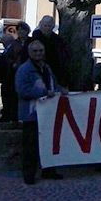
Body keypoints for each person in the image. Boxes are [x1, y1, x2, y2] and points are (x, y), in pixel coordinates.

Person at [15, 40, 67, 184]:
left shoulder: (46, 68)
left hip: (47, 114)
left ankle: (48, 170)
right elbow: (22, 90)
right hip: (31, 114)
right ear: (30, 52)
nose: (38, 53)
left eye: (41, 51)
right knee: (30, 146)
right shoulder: (24, 70)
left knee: (48, 144)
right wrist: (44, 92)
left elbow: (53, 85)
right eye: (35, 51)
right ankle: (29, 175)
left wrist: (60, 90)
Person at [0, 21, 32, 122]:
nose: (20, 32)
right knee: (7, 94)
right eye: (19, 30)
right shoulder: (14, 43)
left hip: (25, 73)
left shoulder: (31, 42)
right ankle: (6, 115)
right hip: (11, 74)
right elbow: (8, 57)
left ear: (27, 31)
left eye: (22, 30)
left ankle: (16, 116)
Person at [30, 16, 70, 87]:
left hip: (55, 71)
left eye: (49, 26)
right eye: (45, 26)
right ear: (40, 25)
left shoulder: (58, 40)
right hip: (38, 71)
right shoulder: (35, 38)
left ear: (53, 27)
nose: (47, 28)